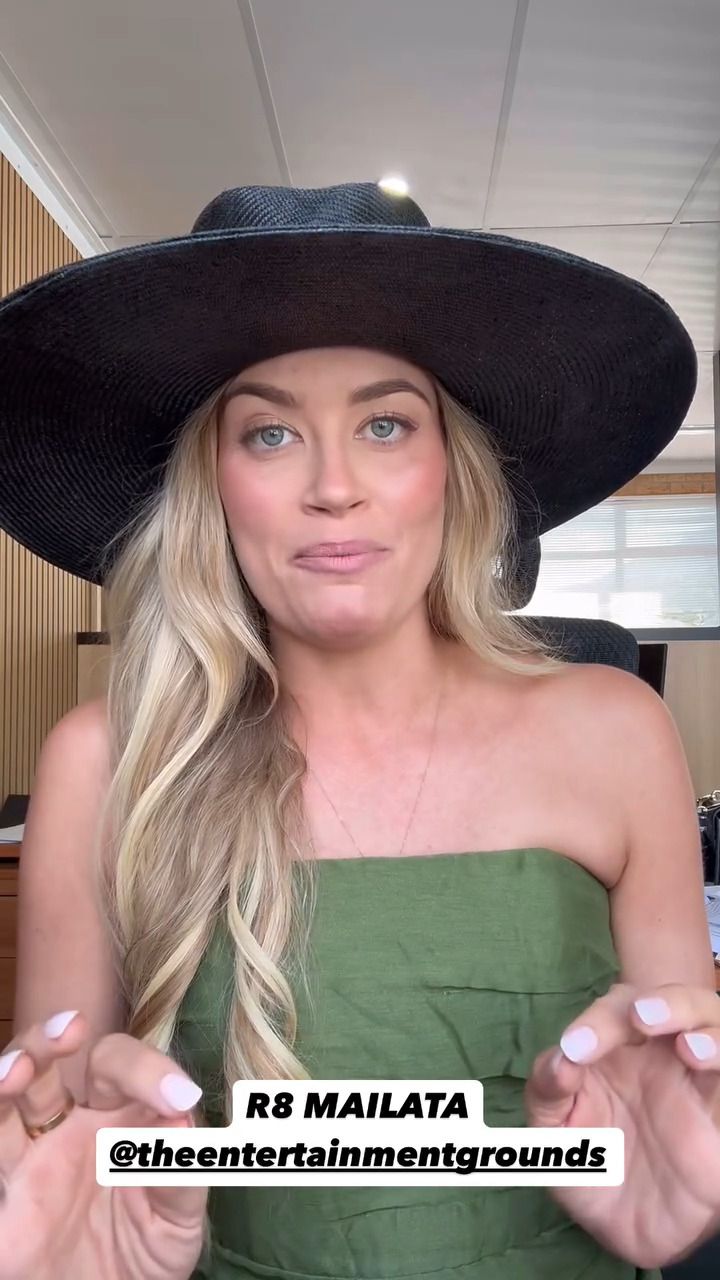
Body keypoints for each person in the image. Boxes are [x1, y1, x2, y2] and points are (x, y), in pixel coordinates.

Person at [0, 180, 718, 1280]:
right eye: (269, 432)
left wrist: (685, 1189)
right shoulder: (106, 760)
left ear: (452, 468)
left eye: (385, 424)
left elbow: (676, 1093)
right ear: (212, 486)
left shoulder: (616, 730)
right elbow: (66, 1149)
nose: (334, 487)